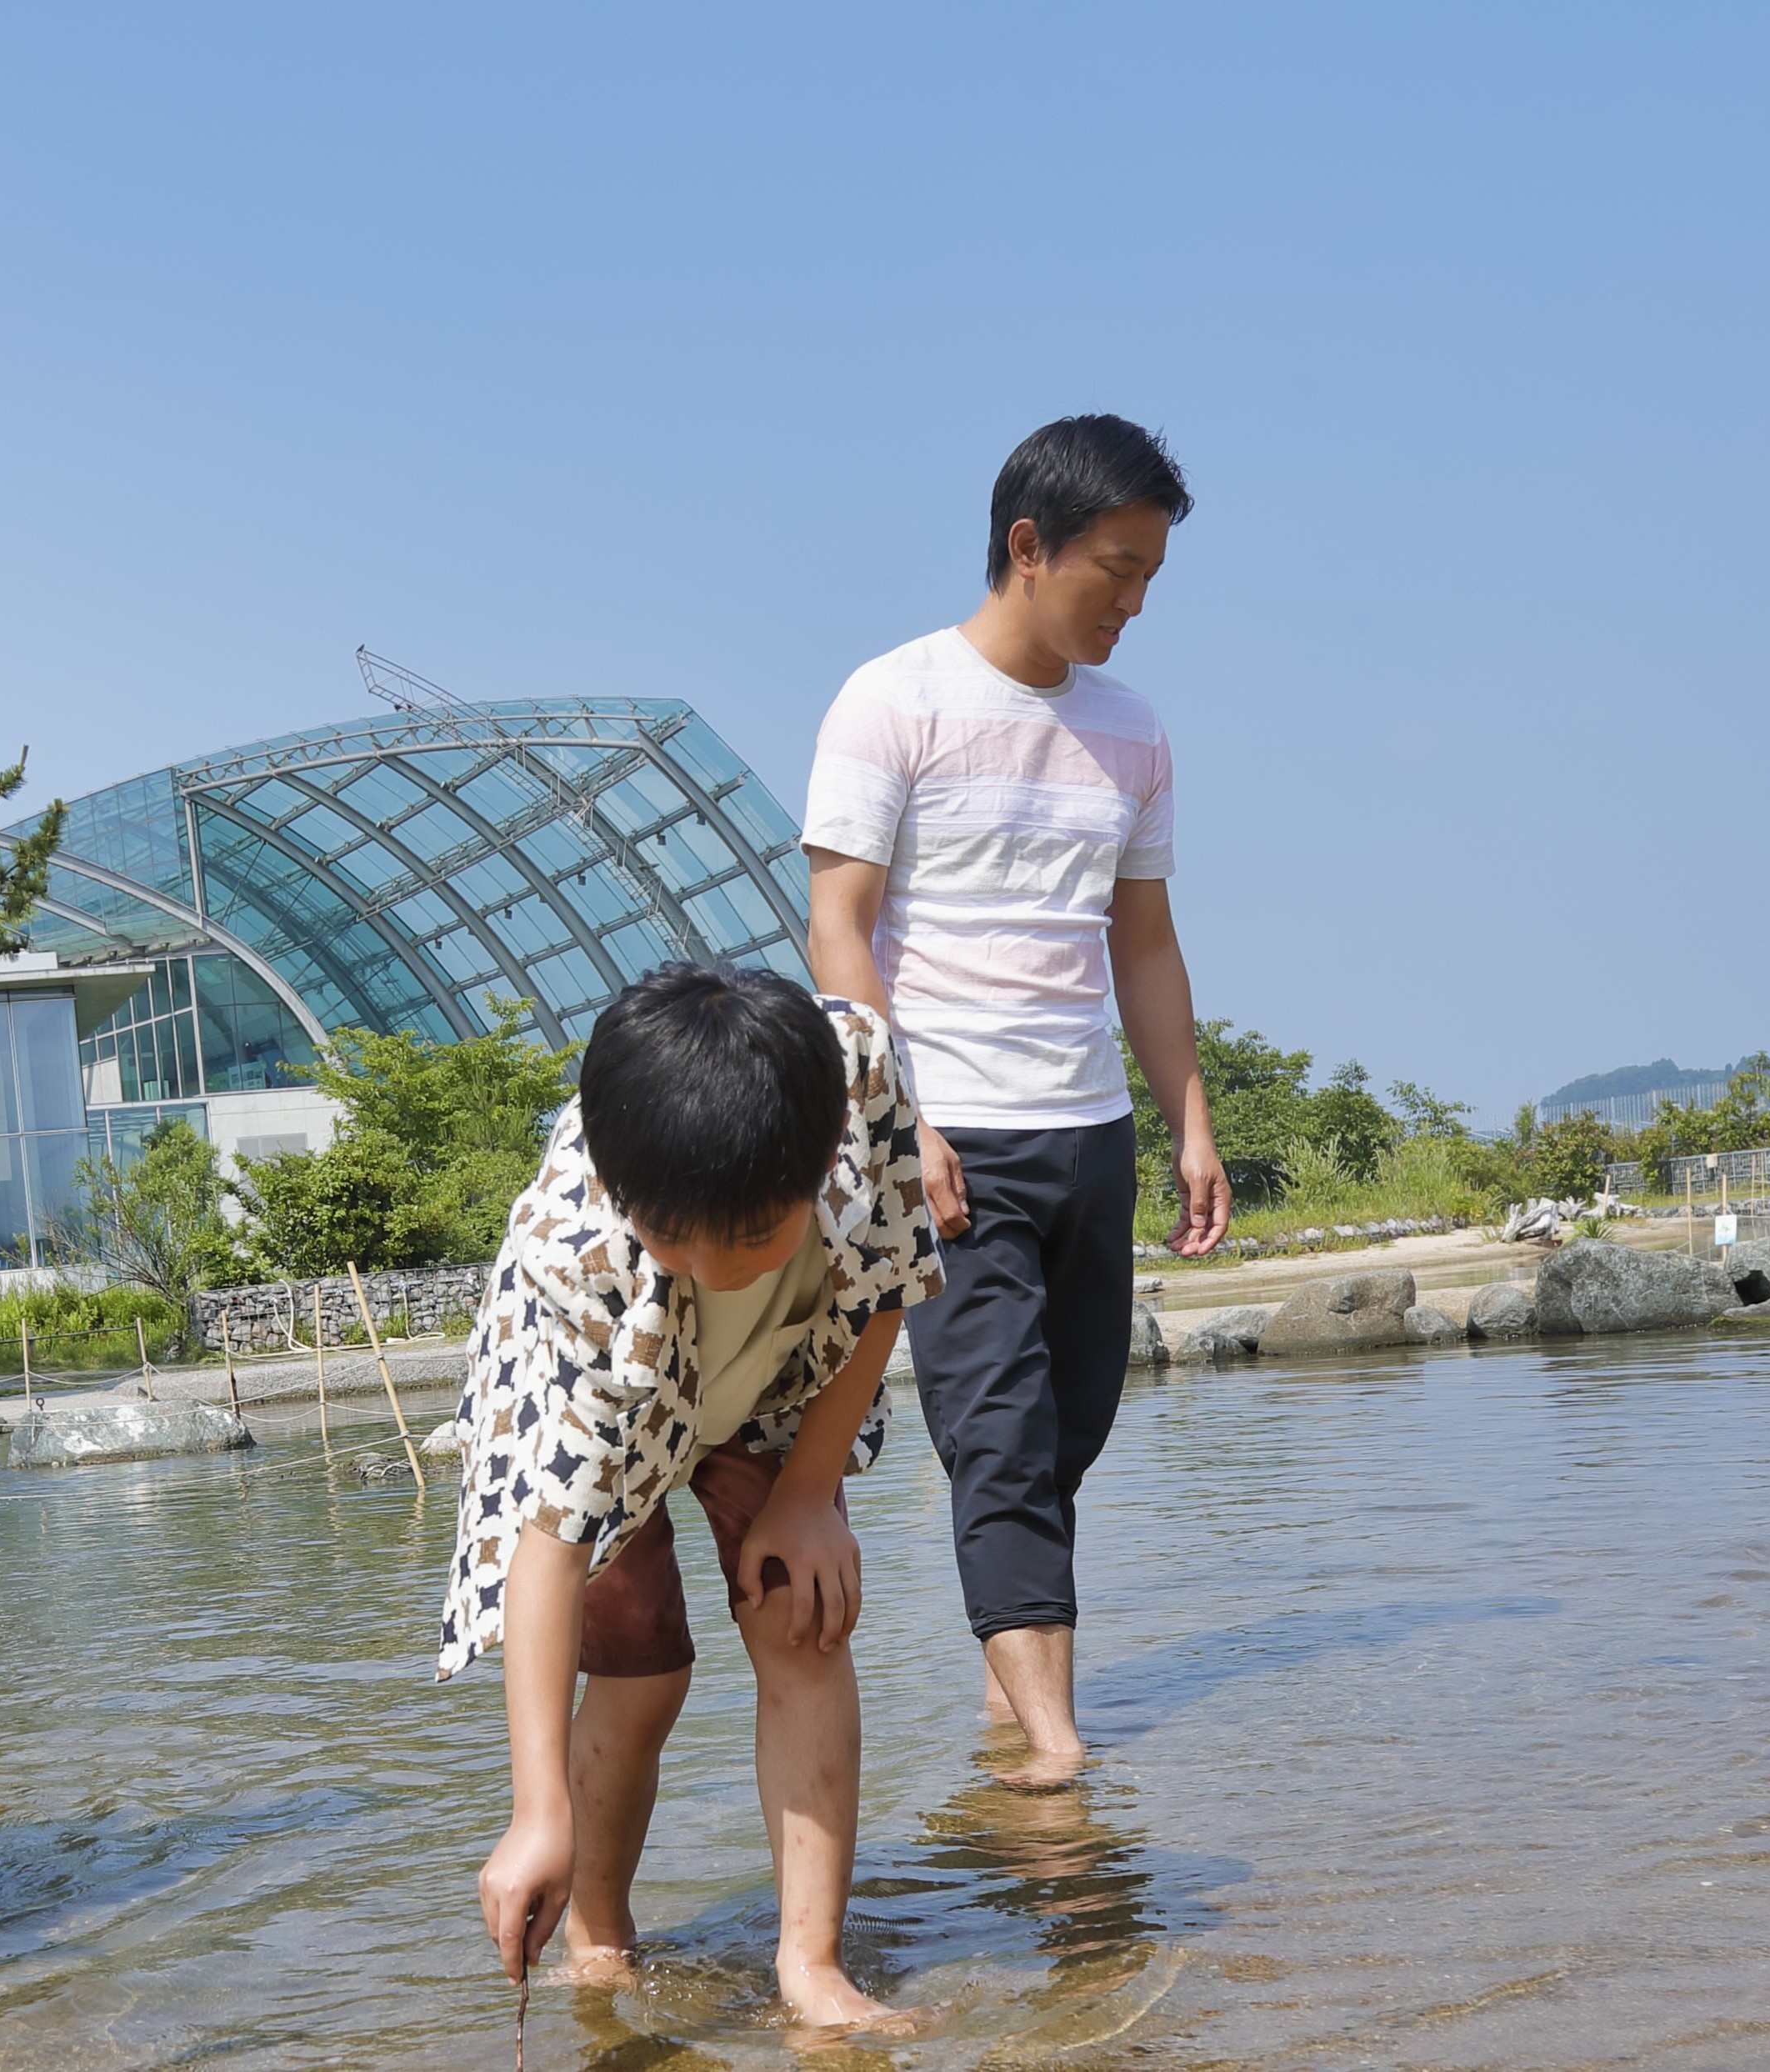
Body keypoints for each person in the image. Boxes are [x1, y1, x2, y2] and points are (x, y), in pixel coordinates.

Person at [798, 413, 1228, 1787]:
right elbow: (838, 928)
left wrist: (1191, 1119)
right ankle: (1053, 1744)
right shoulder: (893, 700)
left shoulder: (1133, 731)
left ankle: (1008, 1679)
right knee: (999, 1435)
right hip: (951, 1137)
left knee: (1075, 1419)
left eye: (1153, 573)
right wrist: (895, 1119)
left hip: (1088, 1126)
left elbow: (1142, 943)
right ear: (1027, 548)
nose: (1135, 600)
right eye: (1116, 567)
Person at [452, 964, 942, 2027]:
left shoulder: (853, 1067)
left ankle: (810, 1967)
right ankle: (599, 1939)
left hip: (783, 1374)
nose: (712, 1267)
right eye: (677, 1237)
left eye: (752, 1235)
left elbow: (890, 1272)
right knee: (640, 1675)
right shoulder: (572, 1249)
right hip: (618, 1383)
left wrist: (808, 1491)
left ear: (818, 1160)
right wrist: (534, 1812)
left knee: (802, 1619)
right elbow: (551, 1537)